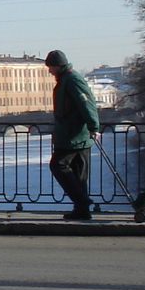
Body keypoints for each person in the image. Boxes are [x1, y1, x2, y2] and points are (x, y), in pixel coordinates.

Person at [46, 49, 100, 220]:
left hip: (74, 134)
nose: (49, 71)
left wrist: (94, 126)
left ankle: (82, 202)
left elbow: (86, 103)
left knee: (58, 165)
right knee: (78, 173)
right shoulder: (66, 79)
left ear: (57, 65)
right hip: (73, 133)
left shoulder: (72, 79)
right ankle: (82, 210)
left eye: (50, 67)